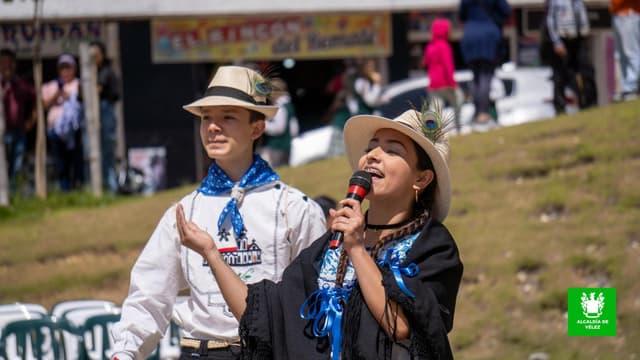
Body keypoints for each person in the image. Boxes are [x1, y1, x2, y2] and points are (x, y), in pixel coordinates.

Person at [178, 105, 464, 359]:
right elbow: (266, 316)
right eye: (371, 147)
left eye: (392, 150)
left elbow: (400, 326)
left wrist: (355, 249)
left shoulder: (433, 247)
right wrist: (211, 254)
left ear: (421, 178)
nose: (374, 156)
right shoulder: (329, 247)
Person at [109, 65, 327, 360]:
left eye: (227, 117)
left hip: (265, 352)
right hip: (198, 350)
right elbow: (149, 292)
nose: (213, 127)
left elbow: (319, 296)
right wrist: (125, 352)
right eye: (207, 118)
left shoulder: (294, 208)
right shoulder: (186, 211)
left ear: (257, 128)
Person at [459, 0, 511, 130]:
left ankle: (478, 113)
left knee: (476, 78)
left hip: (470, 35)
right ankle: (483, 114)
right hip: (488, 35)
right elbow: (506, 11)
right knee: (486, 76)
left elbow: (461, 15)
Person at [42, 54, 84, 192]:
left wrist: (71, 96)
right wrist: (57, 94)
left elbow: (84, 100)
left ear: (75, 69)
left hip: (74, 131)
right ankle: (65, 191)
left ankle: (77, 189)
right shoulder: (51, 85)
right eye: (63, 68)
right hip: (54, 131)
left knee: (75, 161)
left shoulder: (80, 84)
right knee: (60, 163)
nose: (66, 72)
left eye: (69, 68)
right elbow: (44, 106)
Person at [546, 0, 597, 112]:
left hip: (579, 38)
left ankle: (590, 103)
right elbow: (550, 20)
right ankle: (560, 107)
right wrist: (557, 42)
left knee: (587, 71)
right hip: (563, 40)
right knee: (561, 74)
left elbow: (582, 15)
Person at [1, 48, 36, 195]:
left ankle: (14, 194)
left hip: (18, 130)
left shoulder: (21, 84)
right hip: (2, 132)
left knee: (17, 163)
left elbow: (36, 99)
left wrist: (31, 120)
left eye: (9, 62)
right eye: (3, 63)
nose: (6, 66)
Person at [90, 40, 121, 193]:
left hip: (106, 113)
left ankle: (111, 188)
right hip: (93, 116)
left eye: (96, 55)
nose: (93, 58)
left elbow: (99, 89)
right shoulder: (89, 72)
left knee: (107, 151)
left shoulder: (107, 71)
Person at [423, 18, 461, 134]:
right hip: (445, 82)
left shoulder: (430, 46)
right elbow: (448, 65)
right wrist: (453, 82)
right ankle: (457, 127)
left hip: (433, 83)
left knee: (435, 109)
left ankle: (430, 130)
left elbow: (425, 63)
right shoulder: (444, 46)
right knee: (458, 100)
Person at [260, 78, 299, 168]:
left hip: (277, 146)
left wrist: (263, 125)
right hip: (287, 145)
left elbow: (279, 128)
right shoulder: (288, 104)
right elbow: (294, 128)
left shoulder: (280, 107)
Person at [610, 0, 640, 101]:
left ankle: (632, 87)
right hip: (617, 13)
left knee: (631, 52)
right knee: (620, 54)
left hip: (629, 13)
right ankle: (625, 88)